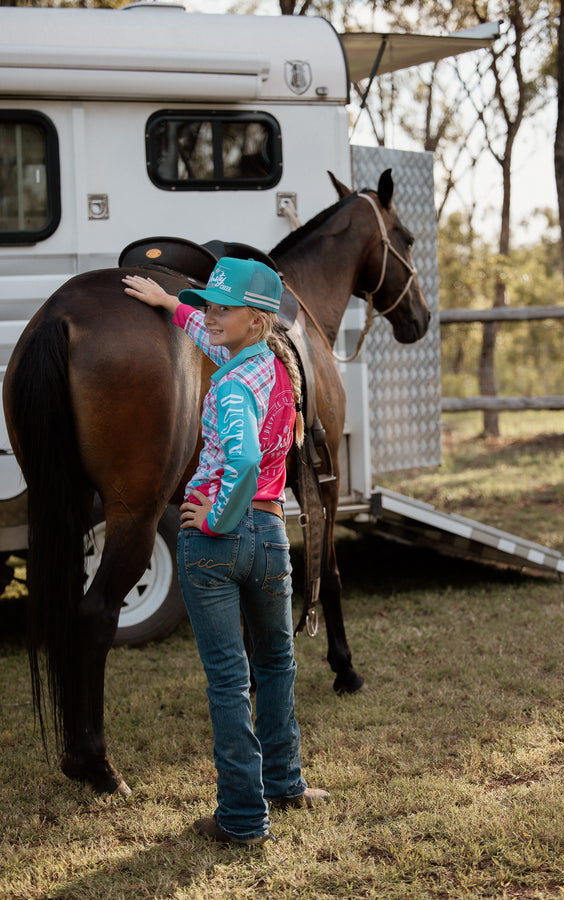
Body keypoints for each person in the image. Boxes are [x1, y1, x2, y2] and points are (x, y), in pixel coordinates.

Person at [122, 258, 329, 847]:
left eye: (223, 308)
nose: (211, 317)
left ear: (257, 320)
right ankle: (285, 784)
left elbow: (237, 460)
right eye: (208, 306)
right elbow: (206, 335)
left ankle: (241, 818)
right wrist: (171, 304)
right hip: (269, 537)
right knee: (276, 664)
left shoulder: (233, 386)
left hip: (216, 542)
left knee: (229, 682)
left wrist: (215, 516)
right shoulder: (271, 368)